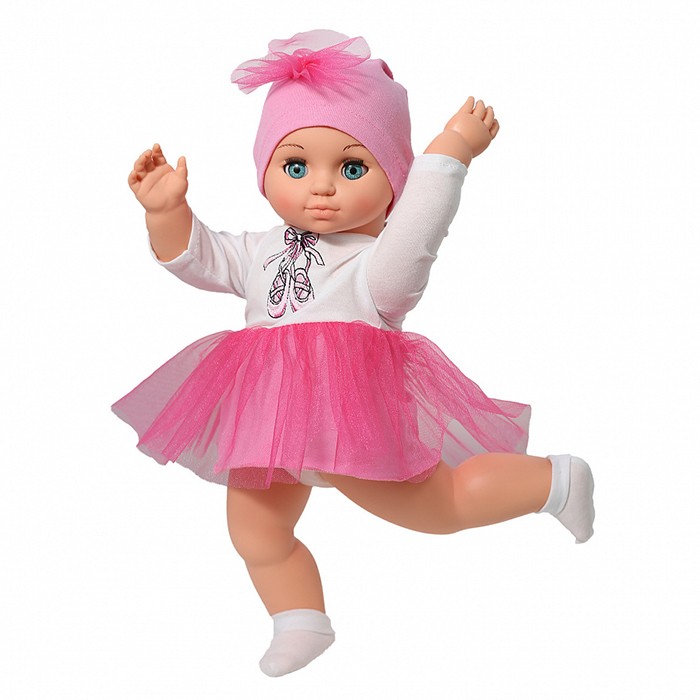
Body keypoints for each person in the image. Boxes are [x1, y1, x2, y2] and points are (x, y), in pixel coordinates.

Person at [113, 30, 595, 677]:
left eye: (351, 168)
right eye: (295, 167)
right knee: (255, 532)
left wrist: (448, 154)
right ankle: (300, 619)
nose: (321, 188)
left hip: (351, 420)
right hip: (270, 427)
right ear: (265, 174)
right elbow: (199, 257)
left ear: (393, 182)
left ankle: (554, 482)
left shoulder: (377, 268)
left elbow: (418, 233)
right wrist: (166, 212)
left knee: (439, 507)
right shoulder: (260, 250)